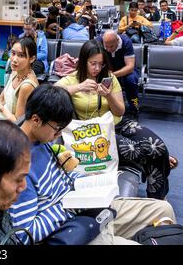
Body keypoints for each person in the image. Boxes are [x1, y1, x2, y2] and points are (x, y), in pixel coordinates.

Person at [10, 84, 176, 245]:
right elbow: (26, 234)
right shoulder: (17, 165)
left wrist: (87, 180)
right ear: (36, 120)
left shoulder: (40, 141)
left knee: (163, 209)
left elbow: (62, 176)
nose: (58, 134)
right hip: (73, 228)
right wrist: (69, 206)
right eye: (57, 129)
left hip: (88, 208)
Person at [55, 40, 175, 200]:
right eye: (93, 64)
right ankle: (161, 164)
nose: (97, 68)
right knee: (142, 151)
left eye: (101, 64)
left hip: (117, 124)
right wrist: (78, 87)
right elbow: (49, 92)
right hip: (95, 132)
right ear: (83, 61)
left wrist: (108, 95)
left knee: (157, 146)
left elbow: (120, 111)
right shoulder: (72, 80)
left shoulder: (109, 77)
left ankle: (157, 199)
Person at [98, 30, 139, 117]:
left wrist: (112, 75)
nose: (108, 49)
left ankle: (134, 106)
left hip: (125, 69)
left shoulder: (126, 42)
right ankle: (103, 107)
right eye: (106, 46)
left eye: (111, 46)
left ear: (117, 40)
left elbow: (130, 67)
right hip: (108, 69)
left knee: (131, 81)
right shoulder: (99, 41)